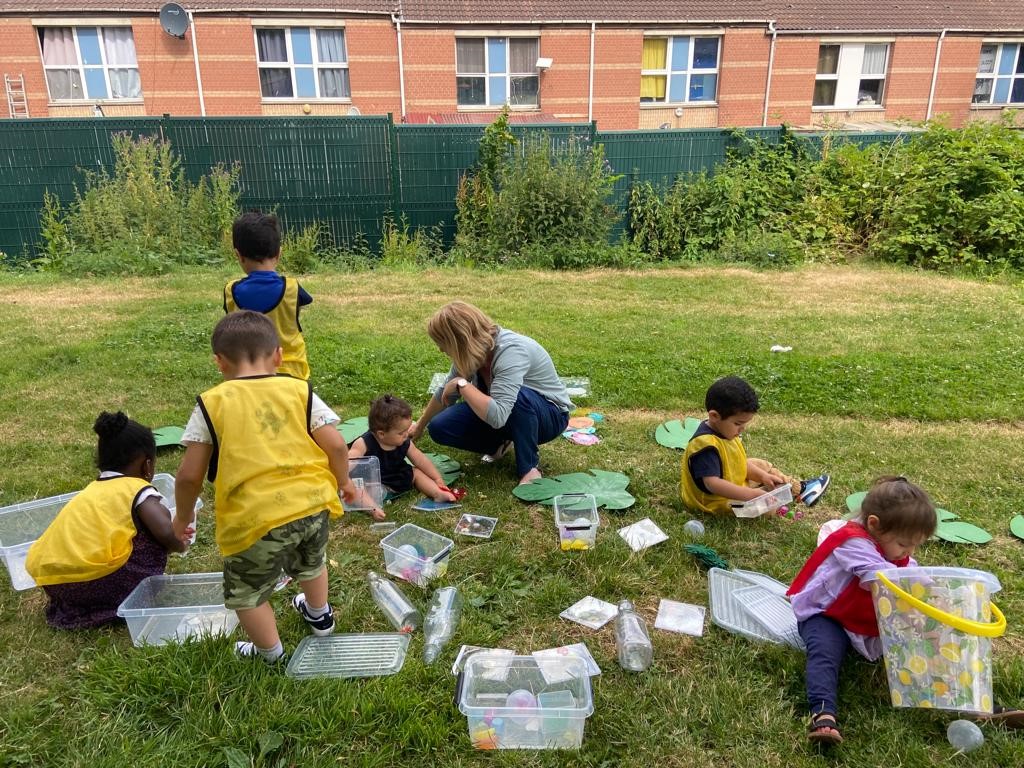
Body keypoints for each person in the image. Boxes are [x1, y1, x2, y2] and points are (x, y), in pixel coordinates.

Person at [172, 311, 357, 664]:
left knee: (248, 594)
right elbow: (335, 445)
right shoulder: (299, 390)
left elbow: (188, 476)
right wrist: (344, 481)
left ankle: (269, 654)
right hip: (312, 506)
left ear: (219, 362)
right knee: (312, 563)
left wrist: (182, 518)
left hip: (254, 519)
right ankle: (319, 615)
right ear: (278, 355)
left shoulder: (212, 403)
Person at [25, 411, 191, 629]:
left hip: (57, 584)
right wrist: (179, 544)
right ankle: (123, 603)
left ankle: (84, 611)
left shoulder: (90, 492)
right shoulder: (137, 489)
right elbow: (164, 531)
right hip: (101, 581)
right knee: (151, 531)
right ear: (147, 465)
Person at [409, 301, 572, 485]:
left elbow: (498, 416)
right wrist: (420, 427)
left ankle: (529, 468)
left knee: (518, 397)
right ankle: (498, 445)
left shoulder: (511, 351)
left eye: (442, 342)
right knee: (440, 426)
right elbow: (444, 395)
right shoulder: (471, 352)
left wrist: (463, 384)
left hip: (549, 416)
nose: (440, 349)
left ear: (459, 339)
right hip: (504, 412)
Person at [680, 376, 830, 515]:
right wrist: (750, 495)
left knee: (760, 465)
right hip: (716, 502)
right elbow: (713, 484)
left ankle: (799, 488)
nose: (742, 428)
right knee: (764, 507)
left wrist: (763, 476)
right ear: (714, 416)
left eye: (745, 423)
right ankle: (778, 493)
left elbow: (738, 463)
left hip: (734, 483)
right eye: (738, 423)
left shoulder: (725, 430)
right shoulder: (706, 446)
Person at [224, 211, 311, 380]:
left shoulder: (231, 291)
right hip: (292, 374)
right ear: (279, 253)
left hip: (245, 374)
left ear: (238, 255)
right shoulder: (292, 289)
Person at [349, 394, 459, 513]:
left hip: (398, 476)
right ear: (381, 434)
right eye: (401, 433)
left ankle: (438, 494)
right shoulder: (363, 443)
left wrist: (437, 478)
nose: (406, 435)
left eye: (407, 430)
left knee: (416, 472)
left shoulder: (404, 441)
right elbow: (348, 462)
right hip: (374, 483)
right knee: (357, 486)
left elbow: (420, 460)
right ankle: (372, 508)